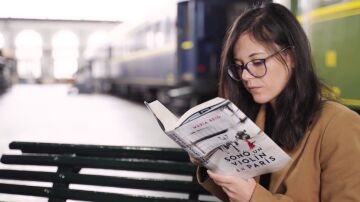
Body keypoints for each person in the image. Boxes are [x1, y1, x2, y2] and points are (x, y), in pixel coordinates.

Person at [189, 3, 360, 202]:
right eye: (239, 66)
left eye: (258, 62)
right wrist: (210, 159)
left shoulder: (339, 124)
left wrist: (254, 197)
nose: (245, 76)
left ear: (291, 57)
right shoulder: (253, 118)